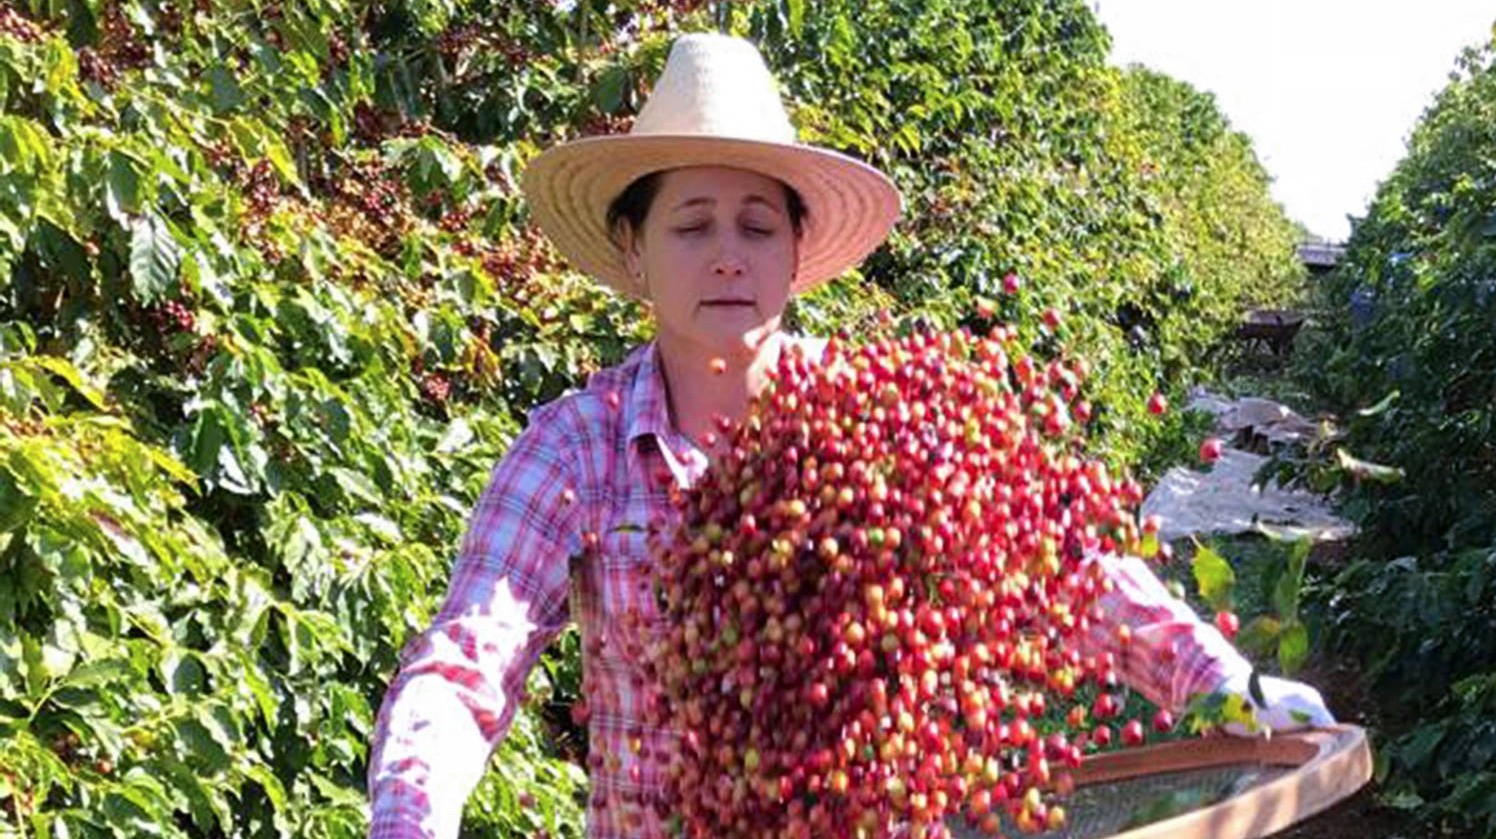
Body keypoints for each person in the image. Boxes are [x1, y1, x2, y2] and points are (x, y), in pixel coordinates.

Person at [365, 32, 1333, 839]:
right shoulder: (578, 448)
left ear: (795, 250)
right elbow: (464, 664)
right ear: (635, 249)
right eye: (692, 225)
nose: (729, 255)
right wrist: (410, 813)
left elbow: (1059, 573)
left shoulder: (875, 417)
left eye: (756, 223)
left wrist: (1225, 678)